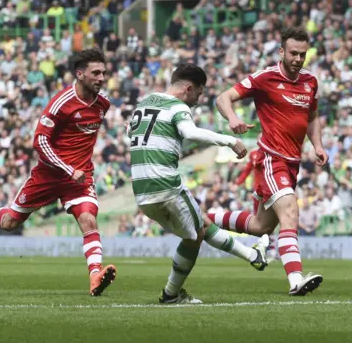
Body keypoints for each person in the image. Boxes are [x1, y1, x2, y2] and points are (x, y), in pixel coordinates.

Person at [0, 48, 117, 296]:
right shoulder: (61, 103)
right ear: (80, 74)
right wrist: (67, 168)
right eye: (95, 72)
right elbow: (40, 142)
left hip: (79, 177)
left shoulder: (103, 103)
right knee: (11, 222)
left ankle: (95, 274)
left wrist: (76, 170)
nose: (101, 77)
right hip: (49, 176)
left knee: (89, 220)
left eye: (103, 73)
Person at [128, 63, 269, 304]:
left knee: (201, 223)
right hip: (165, 184)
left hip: (141, 189)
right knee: (197, 235)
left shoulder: (145, 103)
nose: (198, 99)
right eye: (199, 93)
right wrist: (229, 141)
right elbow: (190, 132)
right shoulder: (177, 106)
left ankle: (252, 255)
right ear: (189, 88)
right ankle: (171, 294)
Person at [211, 27, 328, 296]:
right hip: (272, 158)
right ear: (282, 52)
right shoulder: (266, 77)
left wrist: (318, 146)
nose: (298, 59)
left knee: (260, 226)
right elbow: (223, 97)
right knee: (290, 212)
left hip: (293, 162)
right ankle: (296, 279)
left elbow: (311, 118)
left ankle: (203, 218)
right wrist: (233, 119)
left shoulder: (310, 82)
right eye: (293, 54)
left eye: (303, 54)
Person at [235, 133, 280, 263]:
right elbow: (247, 170)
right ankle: (267, 249)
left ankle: (275, 250)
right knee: (260, 223)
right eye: (259, 139)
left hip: (272, 191)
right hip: (258, 194)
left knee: (273, 223)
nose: (261, 141)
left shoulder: (274, 153)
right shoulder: (253, 154)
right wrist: (238, 183)